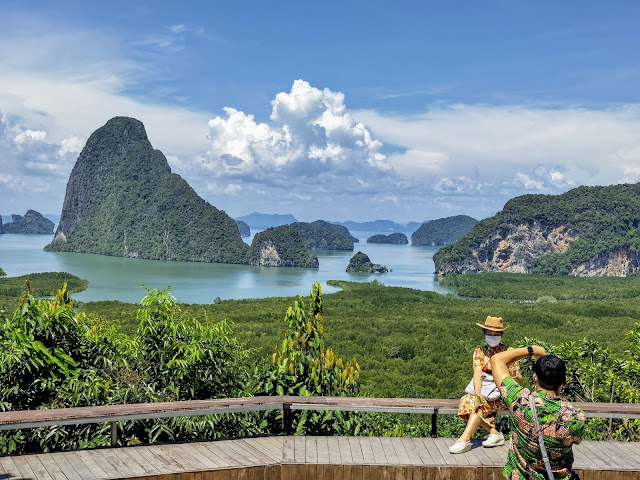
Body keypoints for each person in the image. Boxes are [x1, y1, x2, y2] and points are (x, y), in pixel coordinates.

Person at [491, 346, 586, 480]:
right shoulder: (577, 417)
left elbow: (497, 360)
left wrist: (533, 350)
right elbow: (576, 440)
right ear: (564, 382)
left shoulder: (519, 401)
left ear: (535, 378)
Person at [449, 316, 522, 454]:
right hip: (486, 391)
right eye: (489, 333)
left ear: (501, 334)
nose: (492, 336)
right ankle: (494, 433)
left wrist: (513, 374)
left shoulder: (510, 352)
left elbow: (519, 381)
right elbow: (477, 374)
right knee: (468, 401)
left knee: (476, 407)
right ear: (484, 334)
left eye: (496, 334)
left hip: (503, 394)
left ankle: (465, 440)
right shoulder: (479, 352)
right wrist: (477, 394)